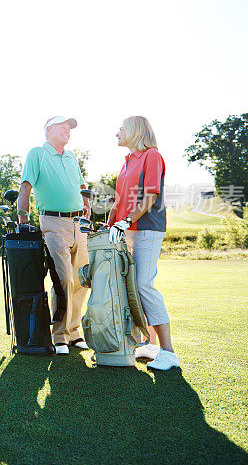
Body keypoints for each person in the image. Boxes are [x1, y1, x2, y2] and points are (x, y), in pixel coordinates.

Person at [107, 116, 179, 371]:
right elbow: (117, 201)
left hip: (147, 229)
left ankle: (169, 352)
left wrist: (126, 221)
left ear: (135, 131)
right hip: (128, 231)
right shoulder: (126, 162)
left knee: (143, 284)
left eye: (121, 128)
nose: (117, 132)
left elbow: (150, 195)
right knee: (133, 288)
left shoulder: (151, 156)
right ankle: (149, 343)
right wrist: (110, 226)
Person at [17, 116, 91, 355]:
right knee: (63, 278)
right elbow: (25, 187)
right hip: (53, 220)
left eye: (69, 128)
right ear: (49, 129)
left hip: (79, 222)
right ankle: (59, 335)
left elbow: (81, 185)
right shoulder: (37, 154)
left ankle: (74, 332)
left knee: (81, 279)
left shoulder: (71, 157)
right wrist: (24, 221)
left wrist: (86, 201)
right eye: (62, 127)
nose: (67, 131)